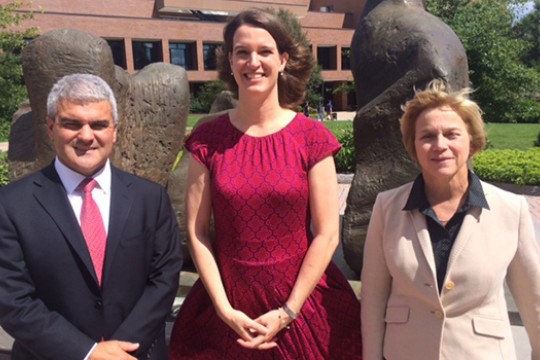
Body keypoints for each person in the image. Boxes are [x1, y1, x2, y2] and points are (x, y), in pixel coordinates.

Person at [169, 8, 361, 359]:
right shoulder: (206, 139)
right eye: (242, 52)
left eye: (265, 51)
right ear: (230, 61)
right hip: (227, 309)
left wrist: (288, 311)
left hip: (301, 304)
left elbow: (327, 233)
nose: (252, 61)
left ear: (284, 60)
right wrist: (224, 310)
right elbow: (197, 234)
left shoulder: (311, 137)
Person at [0, 73, 183, 360]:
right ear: (50, 127)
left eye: (98, 124)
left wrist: (120, 349)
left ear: (115, 131)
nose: (86, 136)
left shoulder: (150, 198)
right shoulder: (10, 205)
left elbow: (164, 277)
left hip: (136, 353)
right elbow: (11, 299)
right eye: (72, 123)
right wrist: (87, 353)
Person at [361, 79, 540, 359]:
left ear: (472, 142)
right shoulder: (387, 208)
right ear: (414, 146)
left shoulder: (511, 209)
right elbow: (373, 297)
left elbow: (534, 300)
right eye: (427, 136)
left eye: (451, 134)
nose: (439, 145)